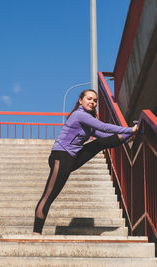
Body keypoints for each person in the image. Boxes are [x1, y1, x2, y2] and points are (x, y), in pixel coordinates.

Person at [33, 89, 138, 234]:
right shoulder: (79, 115)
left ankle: (131, 136)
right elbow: (104, 127)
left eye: (95, 101)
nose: (93, 102)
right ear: (80, 100)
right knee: (50, 194)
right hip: (61, 156)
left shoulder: (87, 124)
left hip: (72, 158)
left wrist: (127, 135)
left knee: (98, 144)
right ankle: (36, 232)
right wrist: (130, 130)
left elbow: (104, 136)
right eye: (89, 99)